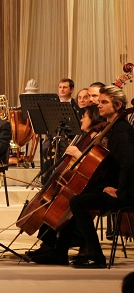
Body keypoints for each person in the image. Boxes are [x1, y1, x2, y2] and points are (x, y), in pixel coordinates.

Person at [33, 85, 134, 268]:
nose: (99, 105)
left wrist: (121, 192)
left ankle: (96, 256)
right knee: (75, 198)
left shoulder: (121, 130)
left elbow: (129, 163)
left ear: (118, 105)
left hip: (124, 192)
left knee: (78, 202)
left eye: (104, 102)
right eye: (100, 101)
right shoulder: (112, 127)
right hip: (112, 186)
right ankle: (59, 252)